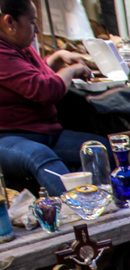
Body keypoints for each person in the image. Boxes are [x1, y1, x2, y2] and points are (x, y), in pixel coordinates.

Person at [0, 0, 109, 195]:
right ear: (10, 23)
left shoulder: (18, 46)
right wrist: (70, 71)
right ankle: (82, 210)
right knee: (40, 155)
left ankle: (110, 201)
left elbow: (27, 76)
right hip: (9, 138)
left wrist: (54, 60)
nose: (37, 30)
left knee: (99, 149)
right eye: (32, 22)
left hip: (45, 133)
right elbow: (44, 89)